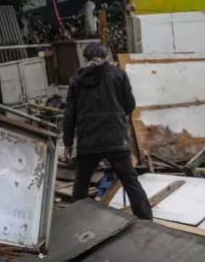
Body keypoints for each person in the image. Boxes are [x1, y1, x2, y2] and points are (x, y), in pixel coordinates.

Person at [62, 43, 153, 220]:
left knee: (81, 184)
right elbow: (130, 105)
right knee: (130, 181)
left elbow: (69, 114)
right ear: (106, 57)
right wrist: (115, 117)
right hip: (115, 139)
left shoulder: (76, 80)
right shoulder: (118, 75)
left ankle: (74, 223)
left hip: (88, 140)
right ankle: (146, 221)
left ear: (85, 59)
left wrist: (67, 143)